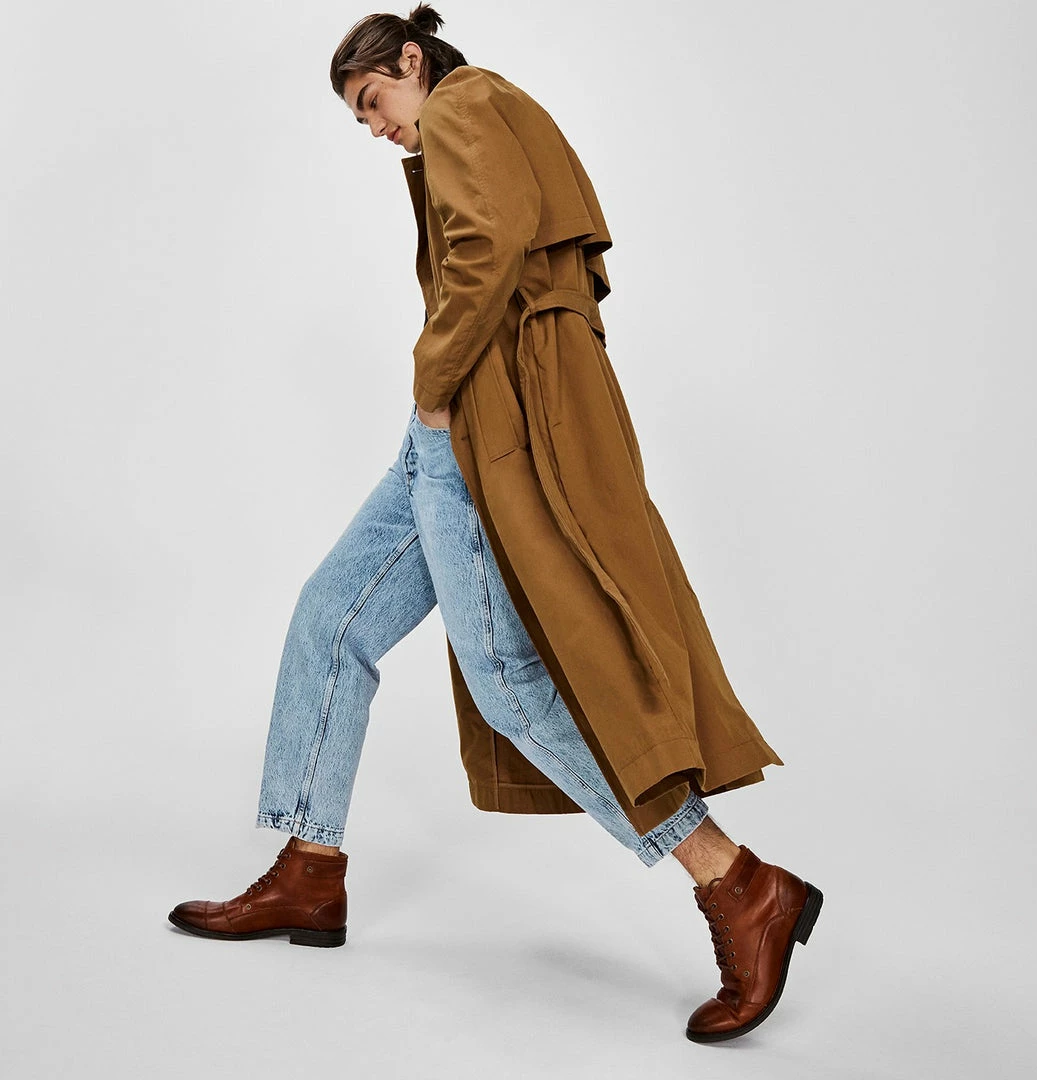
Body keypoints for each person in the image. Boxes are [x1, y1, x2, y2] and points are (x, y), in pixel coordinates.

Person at [167, 4, 823, 1044]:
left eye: (372, 100)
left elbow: (490, 244)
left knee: (511, 685)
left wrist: (434, 385)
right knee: (333, 617)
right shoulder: (477, 113)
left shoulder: (465, 101)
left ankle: (737, 882)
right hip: (444, 428)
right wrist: (432, 407)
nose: (374, 126)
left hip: (468, 419)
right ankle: (309, 868)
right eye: (359, 117)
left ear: (412, 61)